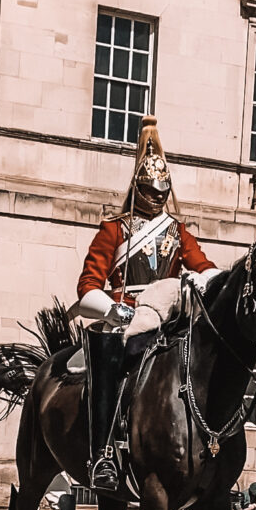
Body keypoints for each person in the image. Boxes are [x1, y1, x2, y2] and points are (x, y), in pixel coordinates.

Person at [76, 115, 217, 491]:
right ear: (137, 188)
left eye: (162, 191)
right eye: (150, 190)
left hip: (167, 315)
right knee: (109, 363)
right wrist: (111, 309)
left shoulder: (178, 232)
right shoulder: (115, 229)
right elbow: (89, 284)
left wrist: (203, 278)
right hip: (125, 316)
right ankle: (104, 453)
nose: (157, 197)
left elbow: (204, 266)